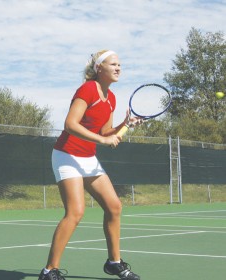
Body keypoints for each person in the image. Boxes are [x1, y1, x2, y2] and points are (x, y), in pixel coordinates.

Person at [38, 50, 142, 280]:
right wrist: (103, 139)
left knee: (114, 207)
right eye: (113, 64)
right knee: (75, 212)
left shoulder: (111, 98)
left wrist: (126, 125)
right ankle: (49, 271)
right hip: (66, 155)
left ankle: (114, 262)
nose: (118, 68)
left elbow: (106, 131)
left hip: (87, 158)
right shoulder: (87, 90)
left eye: (120, 65)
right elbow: (69, 124)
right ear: (99, 68)